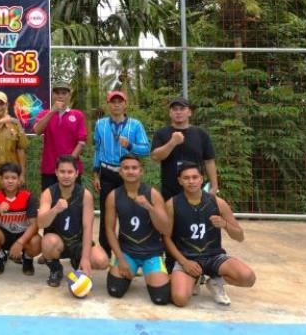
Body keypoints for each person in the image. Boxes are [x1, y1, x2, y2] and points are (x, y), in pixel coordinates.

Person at [165, 162, 256, 307]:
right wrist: (184, 262)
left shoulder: (218, 203)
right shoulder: (172, 204)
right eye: (186, 178)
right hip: (187, 257)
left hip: (213, 255)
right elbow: (166, 238)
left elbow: (240, 236)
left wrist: (225, 224)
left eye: (195, 177)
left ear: (201, 179)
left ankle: (215, 282)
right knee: (180, 299)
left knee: (248, 277)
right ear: (180, 181)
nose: (191, 181)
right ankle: (194, 279)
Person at [104, 155, 170, 305]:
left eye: (134, 168)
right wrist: (120, 258)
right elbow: (109, 229)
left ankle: (163, 273)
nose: (130, 171)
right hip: (127, 252)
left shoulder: (153, 194)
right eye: (126, 168)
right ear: (120, 172)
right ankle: (131, 269)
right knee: (115, 290)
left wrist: (149, 207)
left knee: (161, 298)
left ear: (141, 171)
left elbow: (165, 229)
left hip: (151, 252)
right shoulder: (113, 196)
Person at [92, 90, 150, 257]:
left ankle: (131, 252)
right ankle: (105, 252)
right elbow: (97, 150)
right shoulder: (100, 124)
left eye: (120, 101)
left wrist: (130, 145)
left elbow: (146, 149)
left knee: (130, 211)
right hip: (107, 173)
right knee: (106, 213)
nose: (116, 105)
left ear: (125, 104)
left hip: (129, 174)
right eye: (113, 102)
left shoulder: (135, 125)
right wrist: (96, 175)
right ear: (108, 105)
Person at [39, 155, 109, 287]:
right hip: (57, 241)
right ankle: (55, 269)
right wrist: (55, 210)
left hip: (78, 242)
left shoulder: (85, 195)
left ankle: (77, 262)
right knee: (48, 242)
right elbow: (41, 223)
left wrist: (86, 258)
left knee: (102, 261)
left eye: (70, 172)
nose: (66, 176)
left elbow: (88, 227)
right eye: (62, 171)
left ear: (76, 173)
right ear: (56, 172)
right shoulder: (48, 193)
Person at [151, 97, 218, 201]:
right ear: (170, 113)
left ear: (189, 112)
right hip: (170, 192)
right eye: (175, 109)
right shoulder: (161, 133)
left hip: (196, 190)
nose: (178, 112)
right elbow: (155, 157)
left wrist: (214, 186)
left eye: (182, 109)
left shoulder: (201, 134)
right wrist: (172, 143)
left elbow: (209, 161)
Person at [0, 162, 41, 276]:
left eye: (13, 178)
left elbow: (35, 225)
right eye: (6, 178)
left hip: (23, 235)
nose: (10, 181)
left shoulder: (28, 196)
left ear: (19, 180)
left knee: (37, 241)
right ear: (1, 180)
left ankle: (27, 258)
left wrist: (20, 242)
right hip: (3, 235)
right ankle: (0, 257)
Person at [33, 81, 87, 191]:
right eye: (57, 93)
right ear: (53, 95)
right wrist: (52, 111)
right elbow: (37, 131)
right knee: (49, 199)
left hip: (71, 169)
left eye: (64, 93)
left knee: (74, 200)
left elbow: (81, 142)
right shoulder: (44, 114)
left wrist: (69, 162)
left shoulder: (77, 115)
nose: (60, 96)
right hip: (50, 169)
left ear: (69, 96)